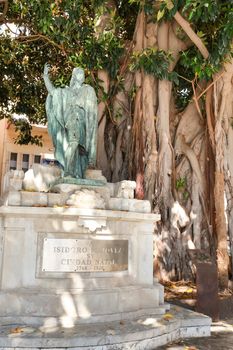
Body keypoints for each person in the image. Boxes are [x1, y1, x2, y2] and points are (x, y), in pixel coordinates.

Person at [43, 63, 98, 178]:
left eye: (83, 73)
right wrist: (46, 76)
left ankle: (76, 173)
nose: (82, 75)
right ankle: (68, 171)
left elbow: (92, 110)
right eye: (80, 73)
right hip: (72, 119)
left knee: (80, 150)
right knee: (73, 142)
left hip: (83, 121)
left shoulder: (88, 90)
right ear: (75, 76)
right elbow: (53, 92)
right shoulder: (66, 92)